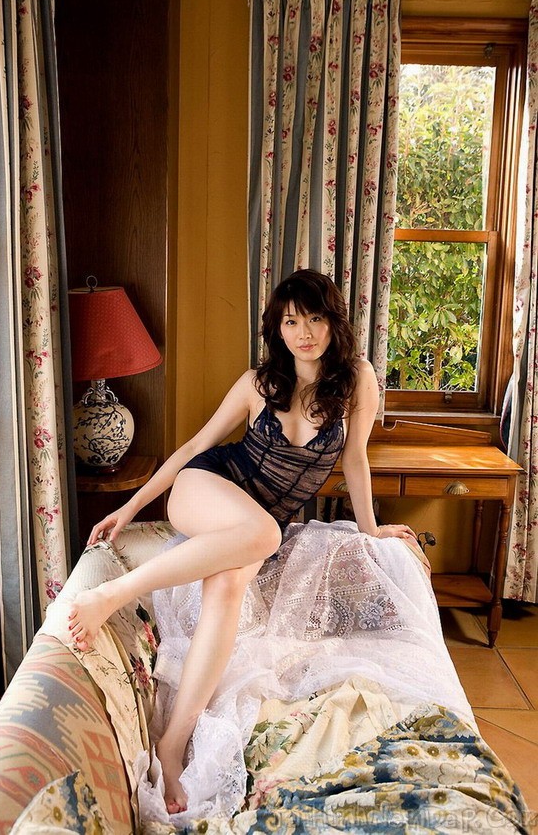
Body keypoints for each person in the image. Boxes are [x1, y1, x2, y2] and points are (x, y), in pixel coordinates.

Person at [67, 268, 417, 814]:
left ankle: (173, 742)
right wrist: (129, 508)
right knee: (265, 532)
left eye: (315, 318)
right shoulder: (257, 384)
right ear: (277, 328)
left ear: (334, 323)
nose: (304, 332)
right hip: (205, 488)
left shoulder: (357, 382)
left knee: (229, 585)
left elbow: (354, 459)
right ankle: (108, 595)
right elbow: (193, 447)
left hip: (256, 528)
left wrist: (371, 529)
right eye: (291, 321)